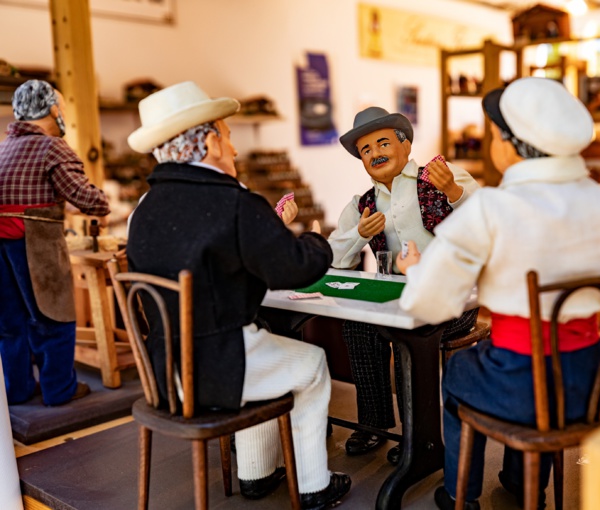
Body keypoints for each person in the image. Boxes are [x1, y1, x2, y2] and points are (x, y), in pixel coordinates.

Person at [396, 77, 600, 510]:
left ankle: (459, 496)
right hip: (587, 383)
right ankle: (521, 483)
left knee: (457, 375)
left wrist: (416, 272)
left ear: (510, 144)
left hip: (518, 378)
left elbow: (430, 302)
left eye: (492, 136)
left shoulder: (493, 208)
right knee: (529, 383)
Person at [125, 81, 350, 509]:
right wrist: (318, 241)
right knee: (309, 363)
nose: (232, 147)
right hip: (219, 368)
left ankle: (256, 473)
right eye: (227, 136)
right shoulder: (234, 202)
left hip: (165, 373)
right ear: (209, 142)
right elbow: (294, 269)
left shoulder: (143, 211)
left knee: (266, 353)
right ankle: (314, 484)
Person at [329, 106, 480, 464]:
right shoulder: (362, 205)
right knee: (357, 324)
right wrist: (357, 235)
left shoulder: (445, 176)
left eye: (382, 143)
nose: (375, 154)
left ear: (406, 146)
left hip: (455, 299)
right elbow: (337, 260)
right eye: (366, 150)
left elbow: (486, 225)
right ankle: (375, 424)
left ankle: (418, 437)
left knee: (410, 335)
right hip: (396, 300)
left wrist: (454, 192)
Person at [0, 80, 110, 406]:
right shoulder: (51, 147)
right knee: (53, 319)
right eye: (61, 105)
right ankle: (58, 390)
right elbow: (89, 199)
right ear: (51, 109)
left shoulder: (2, 148)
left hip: (1, 247)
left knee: (10, 325)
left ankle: (18, 390)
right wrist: (98, 204)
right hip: (35, 246)